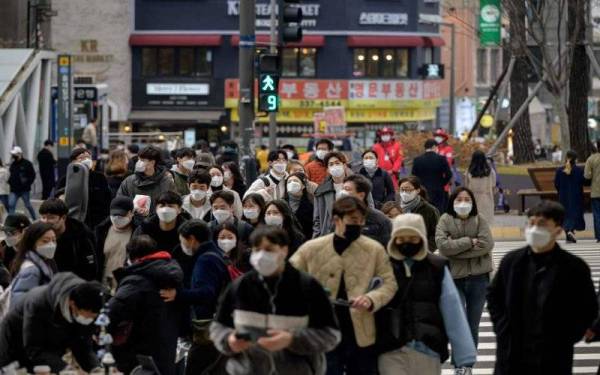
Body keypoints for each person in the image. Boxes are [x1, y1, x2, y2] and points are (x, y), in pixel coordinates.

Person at [210, 226, 341, 375]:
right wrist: (229, 340)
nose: (262, 255)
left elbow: (330, 334)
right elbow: (218, 326)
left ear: (284, 250)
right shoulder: (240, 286)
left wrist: (292, 339)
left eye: (269, 249)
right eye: (257, 250)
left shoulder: (307, 287)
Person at [487, 201, 598, 375]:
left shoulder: (574, 268)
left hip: (554, 356)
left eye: (542, 224)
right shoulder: (512, 262)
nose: (535, 229)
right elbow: (494, 296)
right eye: (531, 223)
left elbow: (587, 308)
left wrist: (567, 336)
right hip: (512, 353)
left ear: (558, 230)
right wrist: (503, 328)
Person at [291, 196, 397, 375]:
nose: (358, 224)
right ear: (336, 220)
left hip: (361, 328)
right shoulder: (312, 248)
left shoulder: (374, 249)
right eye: (353, 220)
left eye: (361, 221)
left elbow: (389, 283)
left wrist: (371, 299)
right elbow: (289, 279)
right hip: (323, 328)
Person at [378, 214, 476, 375]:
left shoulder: (436, 267)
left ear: (421, 238)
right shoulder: (382, 265)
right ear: (393, 239)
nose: (406, 243)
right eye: (401, 238)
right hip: (390, 348)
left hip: (427, 348)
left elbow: (453, 311)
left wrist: (464, 356)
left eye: (412, 238)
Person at [107, 235, 183, 375]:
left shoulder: (136, 281)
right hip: (167, 346)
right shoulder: (170, 272)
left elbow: (112, 311)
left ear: (132, 258)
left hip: (140, 355)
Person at [0, 273, 105, 373]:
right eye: (88, 315)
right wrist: (67, 369)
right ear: (72, 304)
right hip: (15, 346)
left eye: (94, 317)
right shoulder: (39, 303)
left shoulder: (88, 305)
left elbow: (83, 346)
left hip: (48, 350)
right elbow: (34, 348)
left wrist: (96, 368)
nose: (90, 319)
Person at [435, 187, 494, 347]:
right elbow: (443, 247)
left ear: (473, 202)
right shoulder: (445, 219)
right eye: (459, 199)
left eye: (467, 199)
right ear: (452, 201)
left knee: (472, 324)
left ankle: (468, 363)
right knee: (458, 322)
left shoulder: (479, 219)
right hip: (454, 278)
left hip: (479, 279)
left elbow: (487, 244)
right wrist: (469, 242)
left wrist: (455, 251)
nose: (463, 203)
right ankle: (459, 362)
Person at [172, 220, 231, 374]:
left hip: (207, 329)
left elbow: (206, 293)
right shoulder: (215, 254)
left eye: (182, 241)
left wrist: (177, 294)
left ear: (191, 239)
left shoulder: (205, 260)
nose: (182, 245)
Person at [39, 199, 99, 281]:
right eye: (43, 217)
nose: (46, 221)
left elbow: (89, 269)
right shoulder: (37, 233)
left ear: (63, 218)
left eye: (51, 218)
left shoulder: (80, 235)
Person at [58, 148, 112, 228]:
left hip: (98, 221)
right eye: (82, 158)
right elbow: (59, 197)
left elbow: (108, 198)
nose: (86, 160)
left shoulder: (99, 177)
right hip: (75, 221)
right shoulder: (66, 179)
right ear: (73, 161)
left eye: (88, 157)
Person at [117, 145, 176, 215]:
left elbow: (174, 203)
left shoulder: (166, 181)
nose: (138, 163)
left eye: (142, 160)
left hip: (159, 222)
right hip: (134, 222)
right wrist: (132, 209)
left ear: (152, 162)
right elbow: (119, 203)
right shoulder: (129, 181)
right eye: (138, 160)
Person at [8, 222, 57, 305]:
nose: (51, 245)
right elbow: (19, 304)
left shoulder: (47, 261)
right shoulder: (31, 271)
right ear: (32, 243)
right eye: (45, 241)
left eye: (54, 240)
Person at [95, 196, 136, 289]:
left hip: (126, 287)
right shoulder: (101, 232)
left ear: (131, 213)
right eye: (114, 215)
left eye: (121, 215)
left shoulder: (137, 233)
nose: (117, 218)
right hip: (104, 286)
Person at [342, 174, 392, 247]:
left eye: (347, 189)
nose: (343, 193)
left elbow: (388, 249)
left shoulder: (380, 220)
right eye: (342, 189)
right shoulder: (339, 218)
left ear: (361, 195)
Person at [313, 151, 351, 238]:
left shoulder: (358, 186)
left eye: (337, 163)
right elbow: (317, 219)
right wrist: (316, 238)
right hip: (328, 235)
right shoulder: (321, 191)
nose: (335, 166)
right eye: (331, 164)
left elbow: (369, 209)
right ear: (328, 169)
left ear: (344, 166)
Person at [397, 176, 440, 251]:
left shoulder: (429, 210)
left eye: (408, 190)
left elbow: (436, 234)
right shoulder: (396, 208)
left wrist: (425, 250)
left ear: (417, 190)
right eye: (402, 190)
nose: (404, 193)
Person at [411, 139, 452, 214]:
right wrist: (441, 183)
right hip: (438, 191)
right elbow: (449, 174)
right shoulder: (441, 159)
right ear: (434, 147)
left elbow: (413, 176)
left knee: (422, 212)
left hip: (422, 191)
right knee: (437, 212)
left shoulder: (417, 160)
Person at [555, 150, 586, 243]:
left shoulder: (559, 170)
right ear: (575, 159)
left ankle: (568, 233)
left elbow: (556, 184)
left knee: (566, 215)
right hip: (576, 196)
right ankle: (570, 231)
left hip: (563, 196)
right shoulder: (579, 170)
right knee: (574, 214)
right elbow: (583, 182)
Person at [465, 150, 496, 225]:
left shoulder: (469, 172)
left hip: (473, 199)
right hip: (487, 199)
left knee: (473, 223)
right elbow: (493, 186)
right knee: (486, 223)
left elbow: (466, 186)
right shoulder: (490, 171)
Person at [7, 146, 36, 219]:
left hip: (24, 190)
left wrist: (28, 183)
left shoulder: (27, 163)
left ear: (20, 154)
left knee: (27, 205)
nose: (13, 156)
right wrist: (10, 181)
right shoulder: (13, 164)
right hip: (14, 190)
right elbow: (11, 175)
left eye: (15, 154)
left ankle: (34, 218)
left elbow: (32, 175)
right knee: (11, 204)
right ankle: (11, 222)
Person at [285, 172, 314, 240]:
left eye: (295, 181)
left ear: (303, 186)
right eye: (289, 182)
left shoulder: (311, 202)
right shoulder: (283, 202)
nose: (292, 183)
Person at [585, 140, 600, 243]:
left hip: (596, 191)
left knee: (597, 214)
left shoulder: (591, 159)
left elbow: (587, 176)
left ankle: (599, 236)